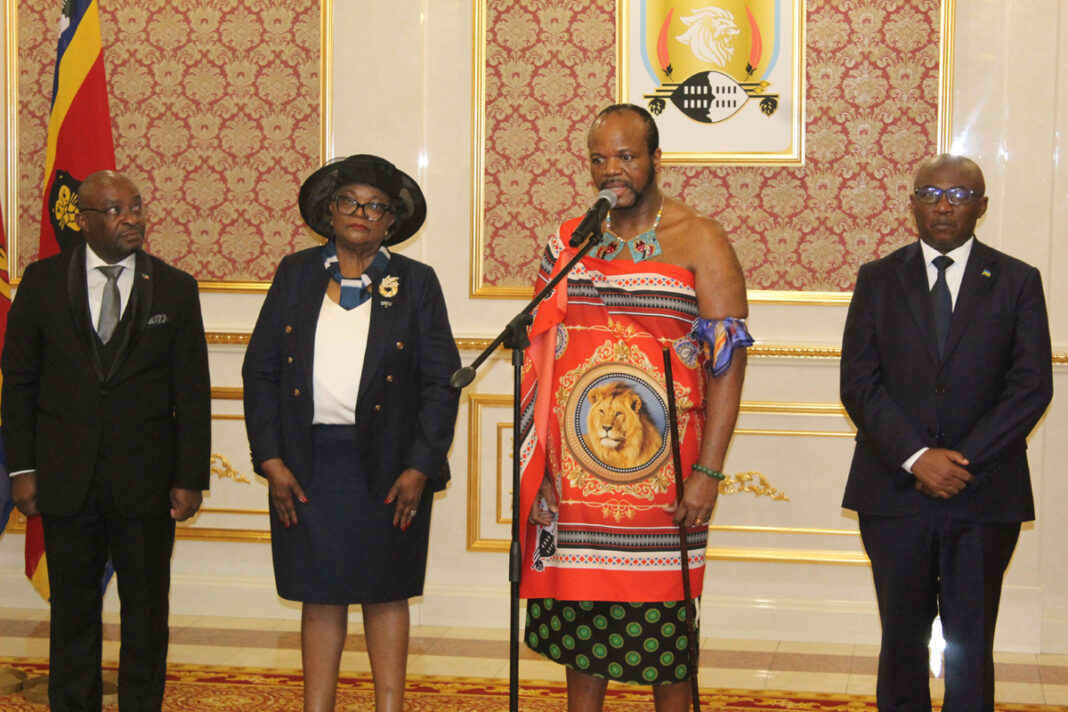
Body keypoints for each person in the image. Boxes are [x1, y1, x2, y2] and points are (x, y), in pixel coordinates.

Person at [518, 104, 752, 711]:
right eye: (599, 158)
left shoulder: (700, 238)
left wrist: (710, 473)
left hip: (663, 477)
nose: (611, 170)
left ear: (654, 159)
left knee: (665, 642)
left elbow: (728, 367)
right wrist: (538, 462)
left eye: (625, 156)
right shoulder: (569, 241)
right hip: (574, 478)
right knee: (581, 640)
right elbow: (540, 357)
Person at [242, 154, 461, 712]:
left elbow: (442, 382)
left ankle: (390, 706)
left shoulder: (416, 283)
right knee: (319, 594)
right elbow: (260, 370)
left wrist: (421, 465)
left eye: (375, 206)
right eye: (349, 201)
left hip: (391, 466)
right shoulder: (295, 273)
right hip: (307, 462)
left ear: (392, 220)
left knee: (386, 592)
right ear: (329, 211)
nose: (360, 213)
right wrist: (269, 458)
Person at [840, 154, 1053, 711]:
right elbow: (859, 384)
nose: (942, 205)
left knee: (971, 643)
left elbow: (1031, 387)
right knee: (901, 640)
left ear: (981, 207)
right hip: (893, 492)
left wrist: (960, 462)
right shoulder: (878, 278)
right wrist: (916, 457)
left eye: (959, 195)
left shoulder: (1017, 280)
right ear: (911, 202)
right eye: (929, 192)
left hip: (984, 495)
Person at [2, 170, 211, 711]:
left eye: (137, 206)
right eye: (117, 210)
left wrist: (190, 478)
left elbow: (191, 391)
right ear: (86, 220)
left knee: (146, 612)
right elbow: (19, 381)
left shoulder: (174, 287)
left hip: (146, 482)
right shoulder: (42, 282)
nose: (133, 218)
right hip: (64, 479)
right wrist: (22, 469)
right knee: (72, 611)